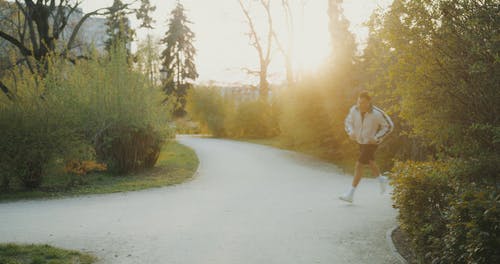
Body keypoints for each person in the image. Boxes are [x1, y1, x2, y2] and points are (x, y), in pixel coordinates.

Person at [339, 91, 394, 203]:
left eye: (363, 103)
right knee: (370, 161)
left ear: (369, 102)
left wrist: (377, 137)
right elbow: (347, 122)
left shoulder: (377, 113)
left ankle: (350, 194)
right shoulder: (354, 110)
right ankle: (381, 179)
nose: (360, 105)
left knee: (359, 165)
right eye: (359, 102)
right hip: (361, 141)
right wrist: (351, 132)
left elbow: (389, 126)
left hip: (371, 143)